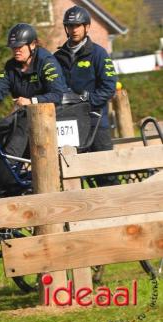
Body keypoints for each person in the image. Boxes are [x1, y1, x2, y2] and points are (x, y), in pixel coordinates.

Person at [0, 23, 68, 159]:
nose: (16, 51)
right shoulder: (10, 66)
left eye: (20, 47)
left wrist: (31, 101)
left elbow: (56, 95)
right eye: (13, 48)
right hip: (22, 115)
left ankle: (9, 167)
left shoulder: (47, 62)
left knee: (21, 128)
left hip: (48, 117)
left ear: (32, 45)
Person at [54, 5, 118, 186]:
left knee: (107, 175)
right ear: (66, 28)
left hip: (95, 122)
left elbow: (109, 87)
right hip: (69, 126)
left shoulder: (99, 54)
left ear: (87, 27)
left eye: (78, 26)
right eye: (70, 26)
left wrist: (86, 101)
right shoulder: (57, 57)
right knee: (72, 176)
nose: (74, 30)